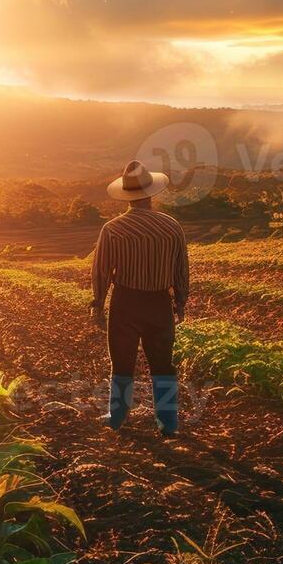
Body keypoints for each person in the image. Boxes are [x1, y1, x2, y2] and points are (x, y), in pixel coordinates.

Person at [90, 160, 190, 435]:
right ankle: (168, 423)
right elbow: (181, 268)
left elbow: (101, 271)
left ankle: (118, 416)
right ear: (151, 193)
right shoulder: (172, 227)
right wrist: (180, 301)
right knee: (163, 363)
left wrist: (98, 304)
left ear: (127, 195)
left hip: (126, 302)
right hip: (159, 303)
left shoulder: (113, 229)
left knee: (122, 361)